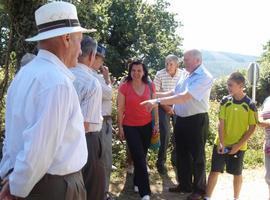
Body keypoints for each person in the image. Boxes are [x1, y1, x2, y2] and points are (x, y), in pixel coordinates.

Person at [0, 1, 95, 199]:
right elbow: (39, 150)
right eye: (80, 40)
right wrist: (17, 187)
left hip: (30, 181)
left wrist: (14, 177)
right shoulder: (57, 82)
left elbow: (13, 137)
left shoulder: (25, 73)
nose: (80, 50)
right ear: (67, 38)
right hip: (55, 188)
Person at [141, 49, 213, 200]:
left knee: (197, 157)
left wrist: (156, 101)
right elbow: (175, 91)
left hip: (196, 120)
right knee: (181, 154)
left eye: (186, 60)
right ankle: (185, 185)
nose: (184, 62)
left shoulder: (204, 77)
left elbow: (184, 97)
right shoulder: (187, 74)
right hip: (181, 119)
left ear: (197, 61)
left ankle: (199, 190)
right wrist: (154, 94)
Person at [204, 72, 257, 200]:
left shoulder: (250, 104)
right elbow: (221, 122)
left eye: (230, 85)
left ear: (241, 85)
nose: (228, 87)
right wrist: (222, 143)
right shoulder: (225, 100)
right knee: (214, 171)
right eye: (228, 84)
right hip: (221, 143)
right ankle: (207, 197)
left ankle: (235, 198)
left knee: (237, 173)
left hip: (239, 146)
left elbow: (252, 127)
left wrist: (238, 145)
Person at [117, 60, 158, 200]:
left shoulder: (150, 85)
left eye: (139, 70)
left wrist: (156, 123)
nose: (136, 73)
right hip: (130, 126)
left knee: (141, 156)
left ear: (144, 72)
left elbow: (155, 106)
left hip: (146, 125)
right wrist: (120, 126)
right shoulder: (124, 86)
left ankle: (137, 181)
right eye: (133, 70)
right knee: (140, 158)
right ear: (130, 72)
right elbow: (120, 108)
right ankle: (145, 192)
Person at [70, 36, 105, 200]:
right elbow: (84, 124)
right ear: (92, 55)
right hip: (86, 140)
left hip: (61, 141)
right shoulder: (91, 82)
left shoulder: (63, 74)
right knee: (92, 189)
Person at [91, 44, 114, 200]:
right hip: (101, 122)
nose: (102, 63)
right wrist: (107, 80)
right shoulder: (93, 76)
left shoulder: (93, 75)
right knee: (104, 159)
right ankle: (102, 193)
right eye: (101, 58)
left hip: (100, 122)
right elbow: (108, 94)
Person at [154, 54, 183, 174]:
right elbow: (155, 93)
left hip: (178, 105)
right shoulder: (159, 74)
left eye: (171, 64)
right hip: (162, 105)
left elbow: (183, 92)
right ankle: (160, 162)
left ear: (177, 64)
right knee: (165, 134)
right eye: (166, 63)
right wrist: (165, 106)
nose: (168, 66)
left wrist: (174, 107)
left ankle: (175, 160)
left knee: (178, 133)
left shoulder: (183, 74)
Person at [259, 96, 270, 200]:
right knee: (268, 176)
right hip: (268, 144)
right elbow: (259, 119)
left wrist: (267, 123)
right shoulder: (267, 100)